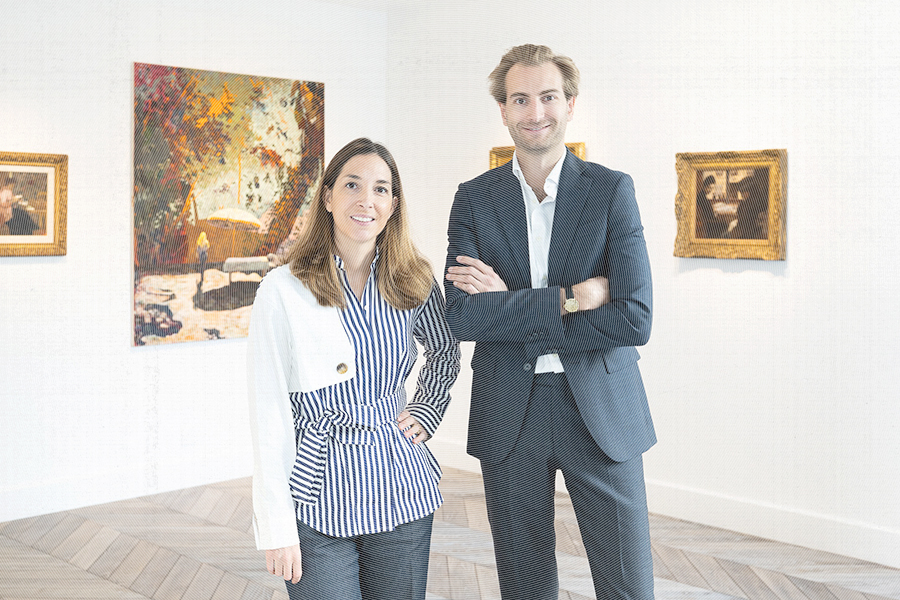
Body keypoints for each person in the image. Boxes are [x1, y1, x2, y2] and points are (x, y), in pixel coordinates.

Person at [444, 44, 655, 599]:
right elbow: (462, 316)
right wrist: (573, 299)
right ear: (503, 110)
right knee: (525, 588)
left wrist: (508, 303)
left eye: (548, 96)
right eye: (520, 99)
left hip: (601, 411)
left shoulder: (611, 191)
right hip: (510, 411)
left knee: (628, 588)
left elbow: (634, 318)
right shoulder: (474, 199)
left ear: (570, 103)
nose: (535, 111)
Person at [247, 137, 460, 600]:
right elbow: (268, 414)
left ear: (393, 205)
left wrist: (426, 410)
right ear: (327, 197)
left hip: (399, 483)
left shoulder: (414, 279)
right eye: (352, 185)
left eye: (381, 189)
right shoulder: (282, 289)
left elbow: (444, 350)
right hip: (317, 491)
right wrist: (276, 526)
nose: (367, 200)